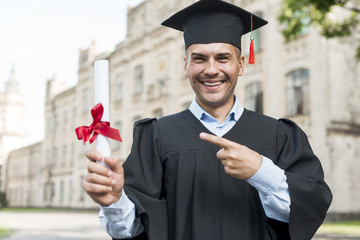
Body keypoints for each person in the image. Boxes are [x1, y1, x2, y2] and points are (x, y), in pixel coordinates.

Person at [82, 0, 332, 239]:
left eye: (223, 58)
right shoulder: (156, 136)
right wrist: (114, 202)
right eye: (199, 58)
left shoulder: (281, 135)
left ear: (241, 65)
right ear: (185, 65)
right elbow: (135, 229)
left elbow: (308, 211)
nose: (211, 69)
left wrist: (261, 171)